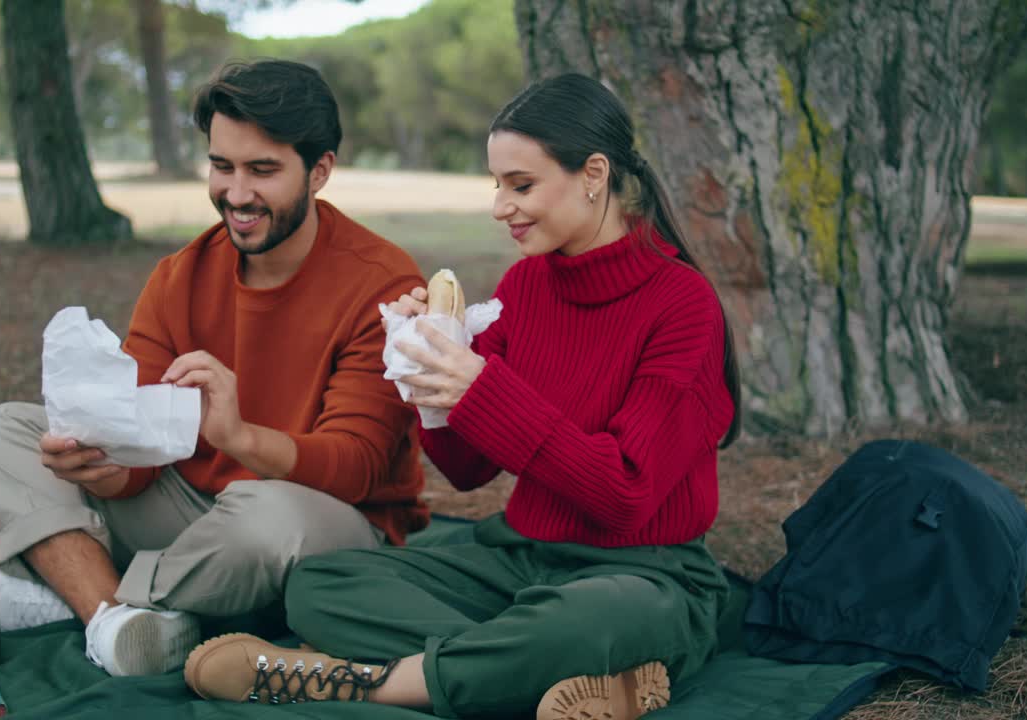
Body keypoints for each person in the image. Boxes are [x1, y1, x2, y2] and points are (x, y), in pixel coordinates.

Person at [181, 72, 744, 720]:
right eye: (496, 184)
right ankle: (558, 673)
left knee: (590, 620)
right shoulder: (527, 285)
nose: (501, 206)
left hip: (645, 574)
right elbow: (469, 470)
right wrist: (430, 381)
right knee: (320, 585)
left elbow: (624, 494)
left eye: (521, 185)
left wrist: (483, 389)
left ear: (594, 174)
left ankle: (367, 682)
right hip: (519, 564)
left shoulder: (682, 305)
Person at [0, 59, 429, 677]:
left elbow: (354, 469)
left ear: (320, 171)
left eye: (263, 171)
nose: (237, 194)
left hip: (322, 526)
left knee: (268, 518)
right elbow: (139, 461)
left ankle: (82, 591)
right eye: (222, 166)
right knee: (4, 431)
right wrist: (103, 470)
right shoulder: (179, 276)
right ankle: (116, 621)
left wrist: (238, 438)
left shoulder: (382, 283)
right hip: (191, 515)